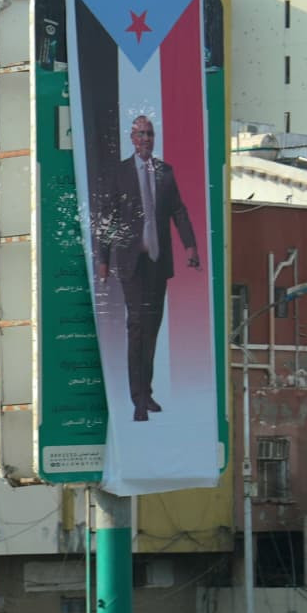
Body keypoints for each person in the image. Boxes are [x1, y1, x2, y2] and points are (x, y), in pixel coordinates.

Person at [92, 112, 201, 425]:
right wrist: (103, 259)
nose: (145, 139)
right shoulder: (121, 173)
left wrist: (190, 246)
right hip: (131, 263)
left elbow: (178, 211)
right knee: (137, 326)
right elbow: (107, 219)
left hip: (157, 262)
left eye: (150, 134)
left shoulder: (165, 173)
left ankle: (147, 391)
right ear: (132, 138)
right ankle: (137, 399)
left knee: (152, 329)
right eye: (140, 134)